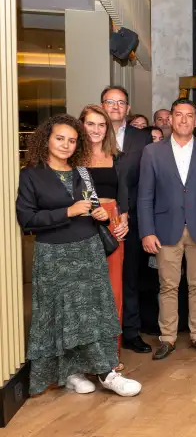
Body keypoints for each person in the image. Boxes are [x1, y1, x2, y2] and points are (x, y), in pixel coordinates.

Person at [16, 114, 141, 396]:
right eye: (60, 138)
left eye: (72, 140)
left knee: (95, 312)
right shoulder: (31, 174)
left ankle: (106, 372)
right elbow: (27, 219)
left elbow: (92, 206)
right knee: (64, 315)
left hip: (88, 248)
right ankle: (70, 372)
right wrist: (67, 212)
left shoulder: (82, 173)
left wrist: (99, 213)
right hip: (54, 255)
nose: (66, 145)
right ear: (46, 140)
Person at [138, 98, 196, 360]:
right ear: (171, 119)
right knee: (167, 285)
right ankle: (167, 338)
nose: (183, 120)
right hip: (165, 229)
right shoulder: (153, 152)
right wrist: (147, 231)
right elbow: (145, 196)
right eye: (179, 115)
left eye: (189, 116)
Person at [100, 86, 154, 355]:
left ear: (128, 108)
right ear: (101, 105)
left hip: (130, 219)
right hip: (96, 220)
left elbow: (146, 182)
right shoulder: (89, 137)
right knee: (100, 279)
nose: (115, 107)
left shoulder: (142, 139)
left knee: (130, 277)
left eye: (121, 102)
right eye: (110, 102)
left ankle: (131, 332)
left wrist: (131, 214)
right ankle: (101, 335)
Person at [80, 105, 129, 365]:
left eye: (101, 125)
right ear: (81, 126)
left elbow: (124, 196)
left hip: (112, 225)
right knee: (85, 292)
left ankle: (110, 356)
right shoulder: (72, 158)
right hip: (80, 225)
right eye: (91, 124)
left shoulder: (117, 157)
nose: (96, 130)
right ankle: (85, 359)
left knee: (113, 292)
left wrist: (125, 220)